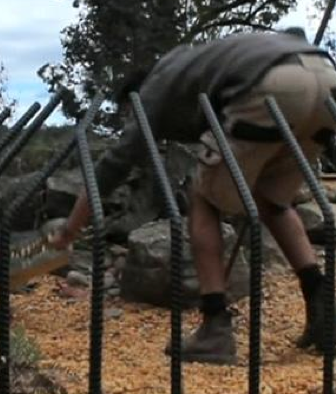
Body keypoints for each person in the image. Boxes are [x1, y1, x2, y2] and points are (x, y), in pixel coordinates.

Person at [49, 29, 336, 364]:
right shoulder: (193, 63)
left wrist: (70, 229)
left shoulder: (154, 91)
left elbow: (113, 165)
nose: (130, 122)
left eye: (127, 115)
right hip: (325, 77)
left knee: (203, 200)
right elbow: (295, 34)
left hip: (270, 84)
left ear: (132, 100)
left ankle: (215, 328)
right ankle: (323, 309)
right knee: (273, 202)